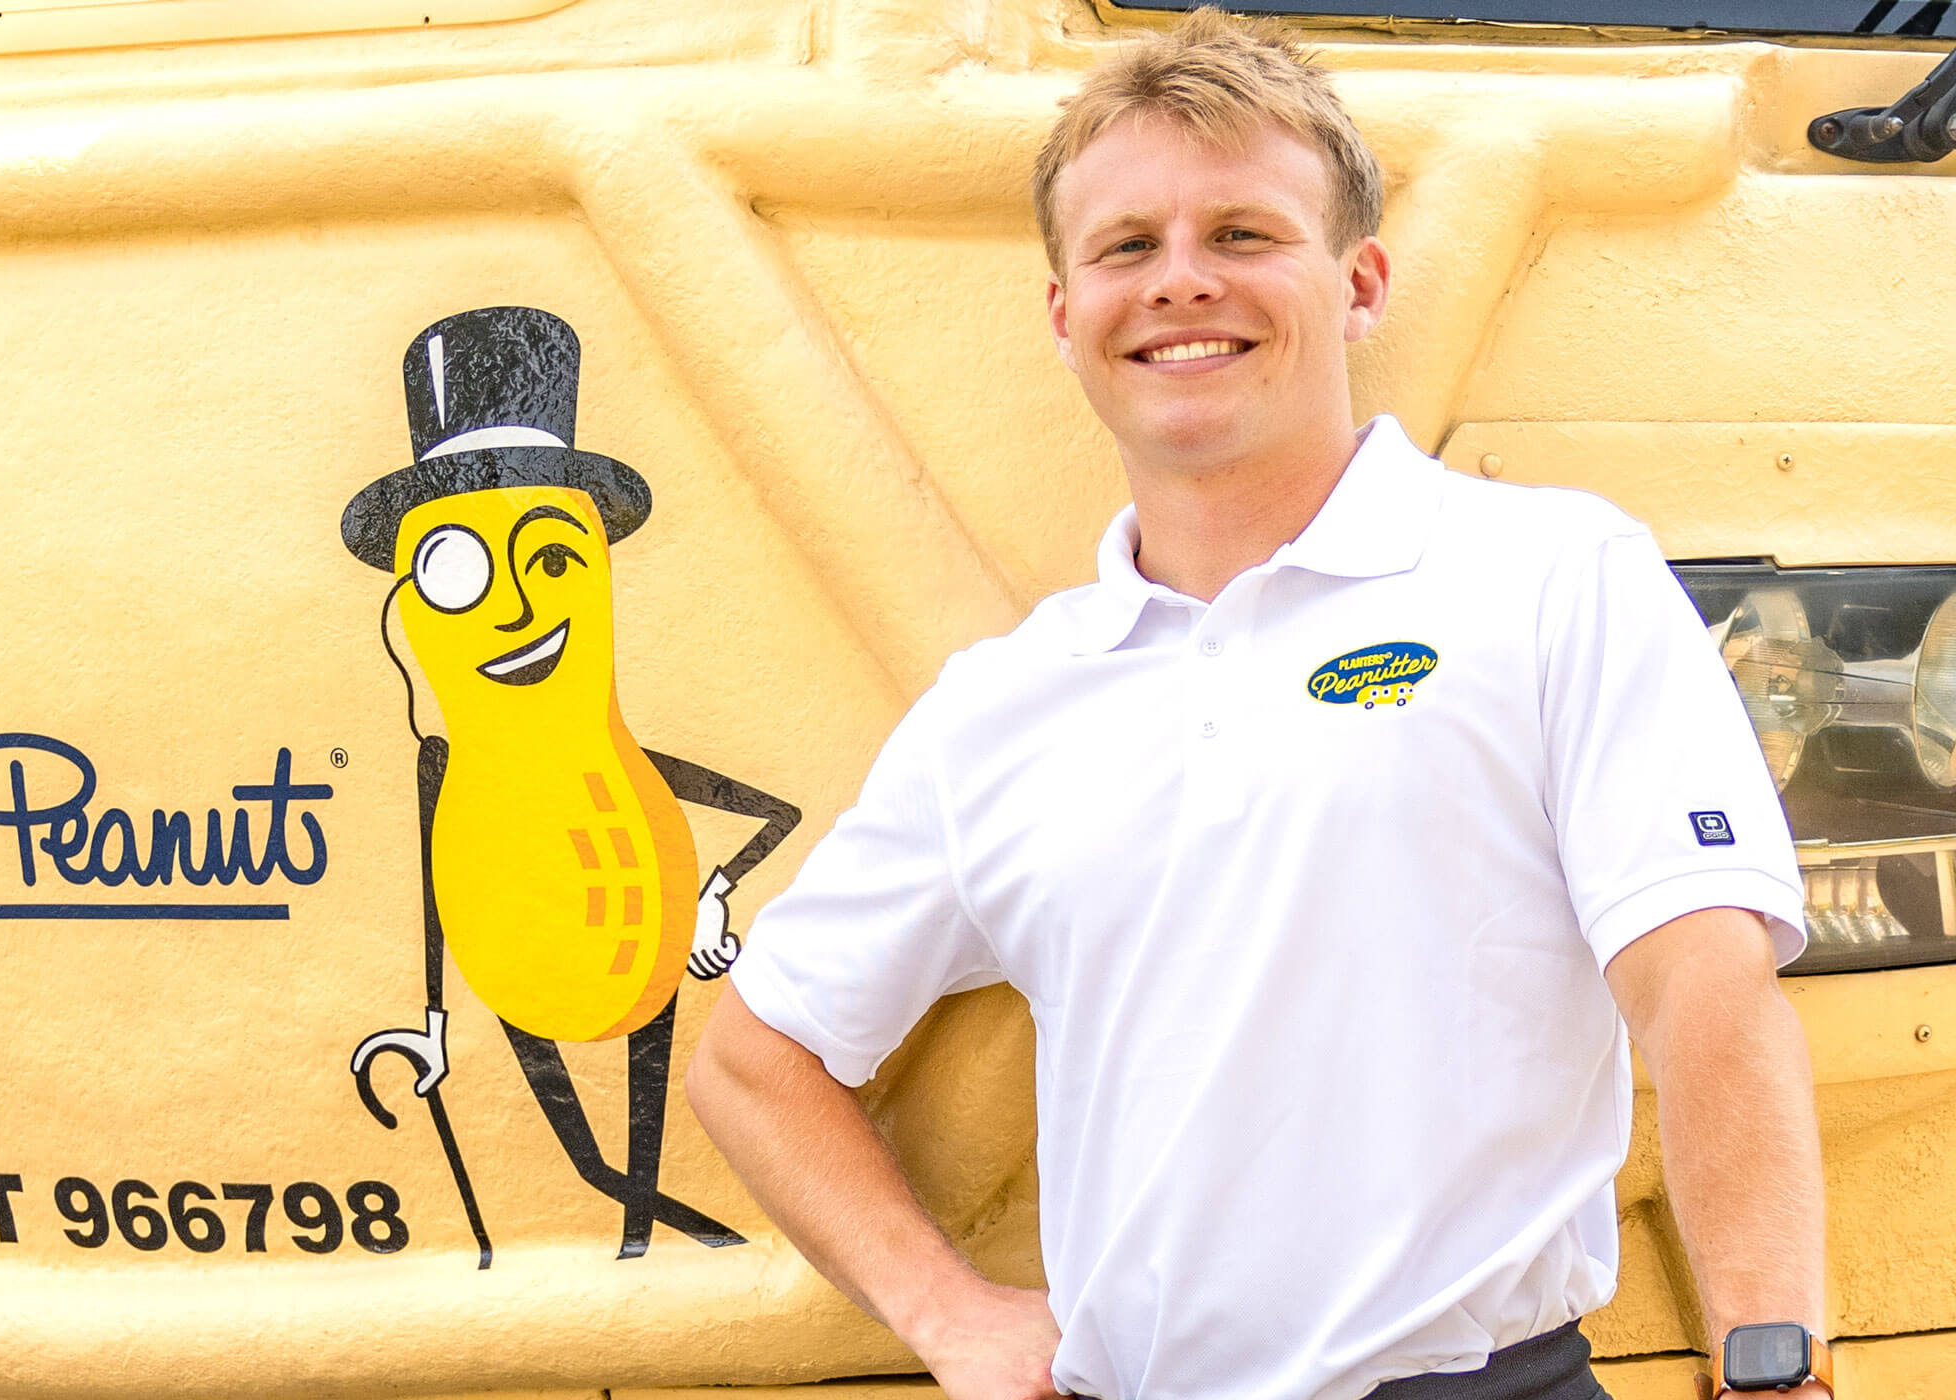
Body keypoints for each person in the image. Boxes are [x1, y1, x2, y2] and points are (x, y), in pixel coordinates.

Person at [685, 11, 1830, 1400]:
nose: (1181, 282)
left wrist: (1772, 1367)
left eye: (1241, 234)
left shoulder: (1549, 577)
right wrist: (947, 1314)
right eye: (1127, 247)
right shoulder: (1003, 707)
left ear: (1359, 284)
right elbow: (754, 1059)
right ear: (1065, 315)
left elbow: (1703, 987)